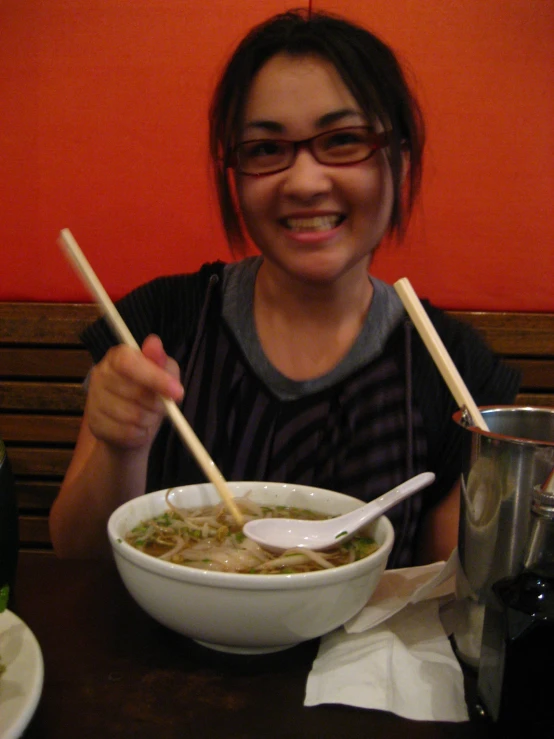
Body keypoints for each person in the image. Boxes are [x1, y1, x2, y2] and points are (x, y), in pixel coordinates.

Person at [49, 9, 519, 563]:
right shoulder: (165, 322)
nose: (304, 182)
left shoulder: (453, 367)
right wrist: (122, 448)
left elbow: (450, 593)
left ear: (400, 158)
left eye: (344, 140)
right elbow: (79, 556)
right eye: (267, 150)